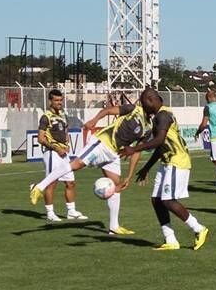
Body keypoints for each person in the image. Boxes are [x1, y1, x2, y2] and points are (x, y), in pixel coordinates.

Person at [30, 93, 155, 235]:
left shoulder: (148, 128)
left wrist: (129, 176)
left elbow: (136, 152)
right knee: (76, 165)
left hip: (113, 154)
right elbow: (108, 110)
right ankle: (39, 188)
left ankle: (114, 227)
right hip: (101, 142)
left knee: (116, 186)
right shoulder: (134, 109)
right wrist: (94, 120)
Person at [124, 90, 209, 251]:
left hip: (177, 160)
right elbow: (160, 146)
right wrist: (146, 168)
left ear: (151, 100)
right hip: (167, 161)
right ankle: (170, 239)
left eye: (143, 103)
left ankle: (199, 229)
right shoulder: (159, 117)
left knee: (168, 200)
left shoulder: (163, 116)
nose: (142, 106)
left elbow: (159, 141)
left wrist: (135, 149)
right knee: (156, 200)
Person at [37, 90, 87, 221]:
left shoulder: (63, 115)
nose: (59, 103)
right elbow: (40, 139)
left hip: (64, 154)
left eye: (60, 100)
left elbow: (65, 132)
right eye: (56, 100)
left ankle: (71, 211)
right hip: (52, 153)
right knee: (51, 183)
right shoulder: (45, 117)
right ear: (50, 101)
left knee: (70, 182)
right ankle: (50, 213)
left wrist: (66, 144)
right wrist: (56, 148)